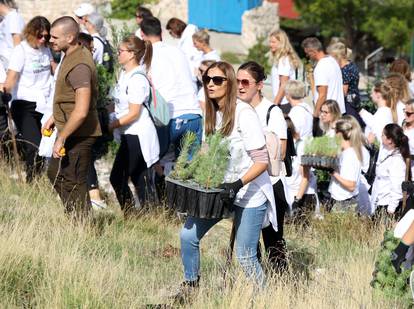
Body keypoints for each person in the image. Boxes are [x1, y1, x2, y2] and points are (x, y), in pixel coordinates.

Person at [175, 61, 275, 301]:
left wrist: (237, 185)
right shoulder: (213, 114)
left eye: (218, 80)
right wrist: (187, 169)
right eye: (207, 79)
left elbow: (262, 161)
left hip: (250, 193)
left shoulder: (244, 114)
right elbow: (207, 150)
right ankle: (191, 287)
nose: (211, 84)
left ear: (229, 83)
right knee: (188, 236)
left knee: (245, 256)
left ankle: (267, 301)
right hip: (221, 192)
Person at [44, 16, 101, 218]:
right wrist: (54, 116)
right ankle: (75, 216)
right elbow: (70, 97)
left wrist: (62, 137)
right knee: (55, 173)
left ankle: (82, 227)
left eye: (54, 37)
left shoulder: (80, 66)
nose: (50, 40)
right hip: (71, 129)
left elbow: (82, 109)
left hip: (80, 133)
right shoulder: (70, 54)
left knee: (74, 180)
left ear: (69, 37)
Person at [237, 61, 288, 272]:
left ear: (259, 85)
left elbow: (281, 152)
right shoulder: (238, 109)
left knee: (273, 241)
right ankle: (253, 280)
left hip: (271, 184)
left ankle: (281, 284)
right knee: (247, 240)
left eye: (245, 82)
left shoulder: (271, 112)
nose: (240, 86)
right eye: (237, 81)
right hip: (247, 183)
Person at [108, 35, 159, 215]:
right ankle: (143, 216)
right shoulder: (124, 74)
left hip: (138, 134)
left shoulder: (137, 78)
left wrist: (111, 126)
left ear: (131, 54)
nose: (118, 54)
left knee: (119, 177)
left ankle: (133, 216)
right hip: (129, 133)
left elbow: (134, 113)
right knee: (138, 178)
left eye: (121, 51)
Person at [141, 17, 202, 157]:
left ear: (142, 35)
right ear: (161, 31)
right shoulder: (178, 51)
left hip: (169, 116)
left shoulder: (147, 57)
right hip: (193, 113)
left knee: (159, 163)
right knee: (189, 171)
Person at [3, 16, 55, 183]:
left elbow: (54, 71)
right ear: (31, 33)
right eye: (40, 36)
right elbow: (11, 78)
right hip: (24, 103)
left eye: (46, 36)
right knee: (35, 145)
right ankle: (32, 182)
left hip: (45, 104)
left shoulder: (46, 50)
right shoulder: (21, 50)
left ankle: (42, 178)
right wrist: (4, 93)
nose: (43, 39)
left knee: (47, 145)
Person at [302, 37, 345, 135]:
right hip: (338, 112)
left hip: (327, 116)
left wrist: (316, 116)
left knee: (322, 148)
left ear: (312, 51)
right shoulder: (332, 61)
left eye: (307, 53)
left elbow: (322, 95)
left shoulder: (321, 66)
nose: (307, 56)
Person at [371, 124, 409, 217]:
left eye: (383, 135)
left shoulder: (397, 160)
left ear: (390, 140)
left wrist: (391, 208)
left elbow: (397, 187)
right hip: (379, 202)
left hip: (387, 206)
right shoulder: (387, 152)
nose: (381, 137)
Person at [328, 115, 363, 212]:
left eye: (335, 132)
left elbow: (351, 185)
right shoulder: (345, 152)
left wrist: (334, 173)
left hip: (345, 203)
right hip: (338, 200)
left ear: (339, 134)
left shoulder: (351, 155)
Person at [328, 42, 365, 128]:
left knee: (349, 127)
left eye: (333, 56)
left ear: (339, 56)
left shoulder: (345, 70)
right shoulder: (351, 64)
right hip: (355, 99)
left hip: (348, 103)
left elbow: (344, 92)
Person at [268, 30, 301, 114]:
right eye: (270, 42)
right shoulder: (283, 58)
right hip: (285, 102)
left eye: (273, 42)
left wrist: (275, 104)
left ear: (281, 43)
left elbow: (284, 84)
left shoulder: (284, 60)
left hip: (284, 103)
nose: (270, 44)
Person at [0, 0, 25, 66]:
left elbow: (17, 44)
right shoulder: (6, 19)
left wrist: (14, 67)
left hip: (9, 63)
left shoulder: (13, 17)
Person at [403, 99, 414, 176]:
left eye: (408, 113)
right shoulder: (403, 124)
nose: (405, 115)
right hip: (401, 169)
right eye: (404, 111)